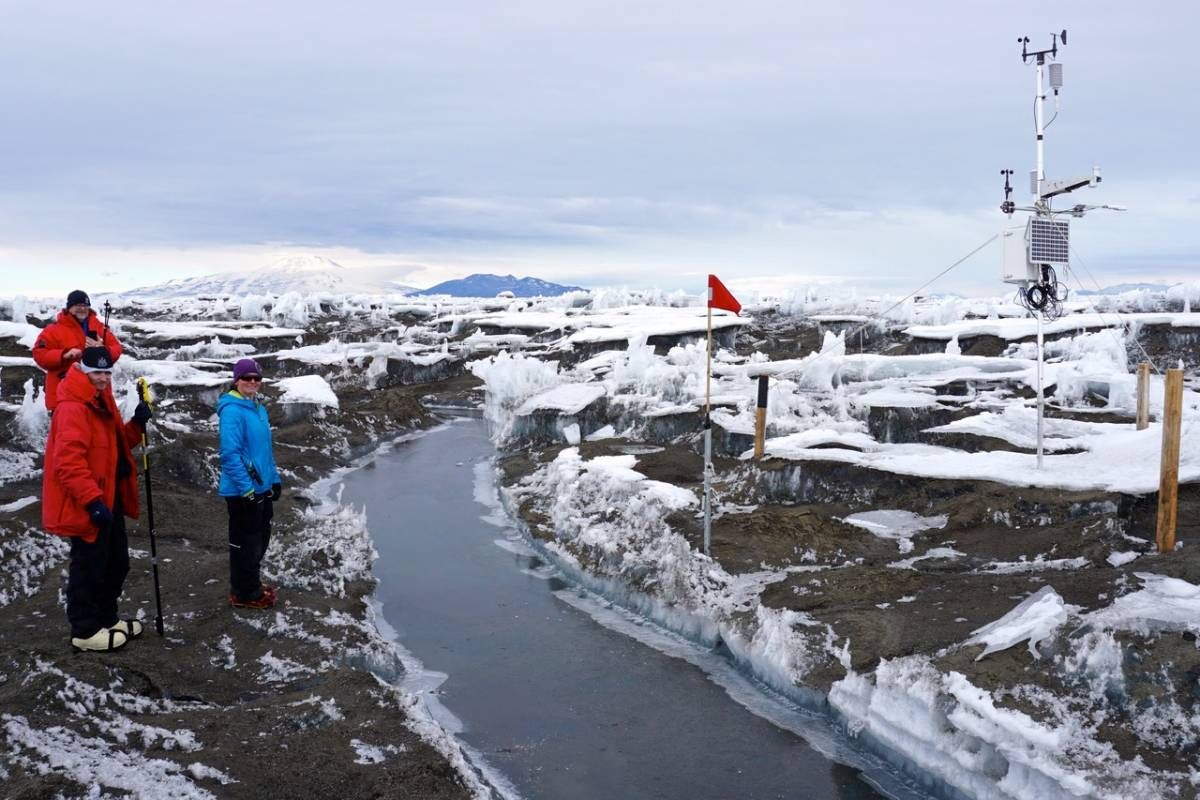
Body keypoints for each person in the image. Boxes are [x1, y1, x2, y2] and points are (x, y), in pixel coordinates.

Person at [43, 347, 152, 652]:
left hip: (109, 496)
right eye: (97, 372)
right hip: (88, 502)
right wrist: (92, 502)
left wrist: (135, 426)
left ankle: (107, 618)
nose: (103, 379)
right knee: (88, 565)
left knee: (116, 562)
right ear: (83, 371)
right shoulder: (73, 407)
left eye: (107, 373)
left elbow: (113, 448)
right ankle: (85, 630)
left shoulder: (100, 400)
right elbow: (68, 462)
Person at [218, 358, 282, 609]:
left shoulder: (257, 408)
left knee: (260, 539)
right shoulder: (232, 411)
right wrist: (246, 489)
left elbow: (264, 450)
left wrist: (274, 479)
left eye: (257, 378)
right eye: (247, 378)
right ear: (237, 380)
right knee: (246, 542)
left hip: (261, 486)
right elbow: (229, 455)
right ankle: (244, 593)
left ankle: (250, 584)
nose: (253, 382)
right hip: (242, 491)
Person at [33, 290, 124, 413]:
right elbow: (39, 354)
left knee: (100, 431)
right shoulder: (52, 330)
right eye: (78, 305)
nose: (82, 308)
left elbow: (117, 348)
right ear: (69, 307)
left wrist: (103, 349)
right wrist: (63, 355)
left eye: (85, 305)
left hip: (98, 396)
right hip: (65, 397)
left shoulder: (98, 327)